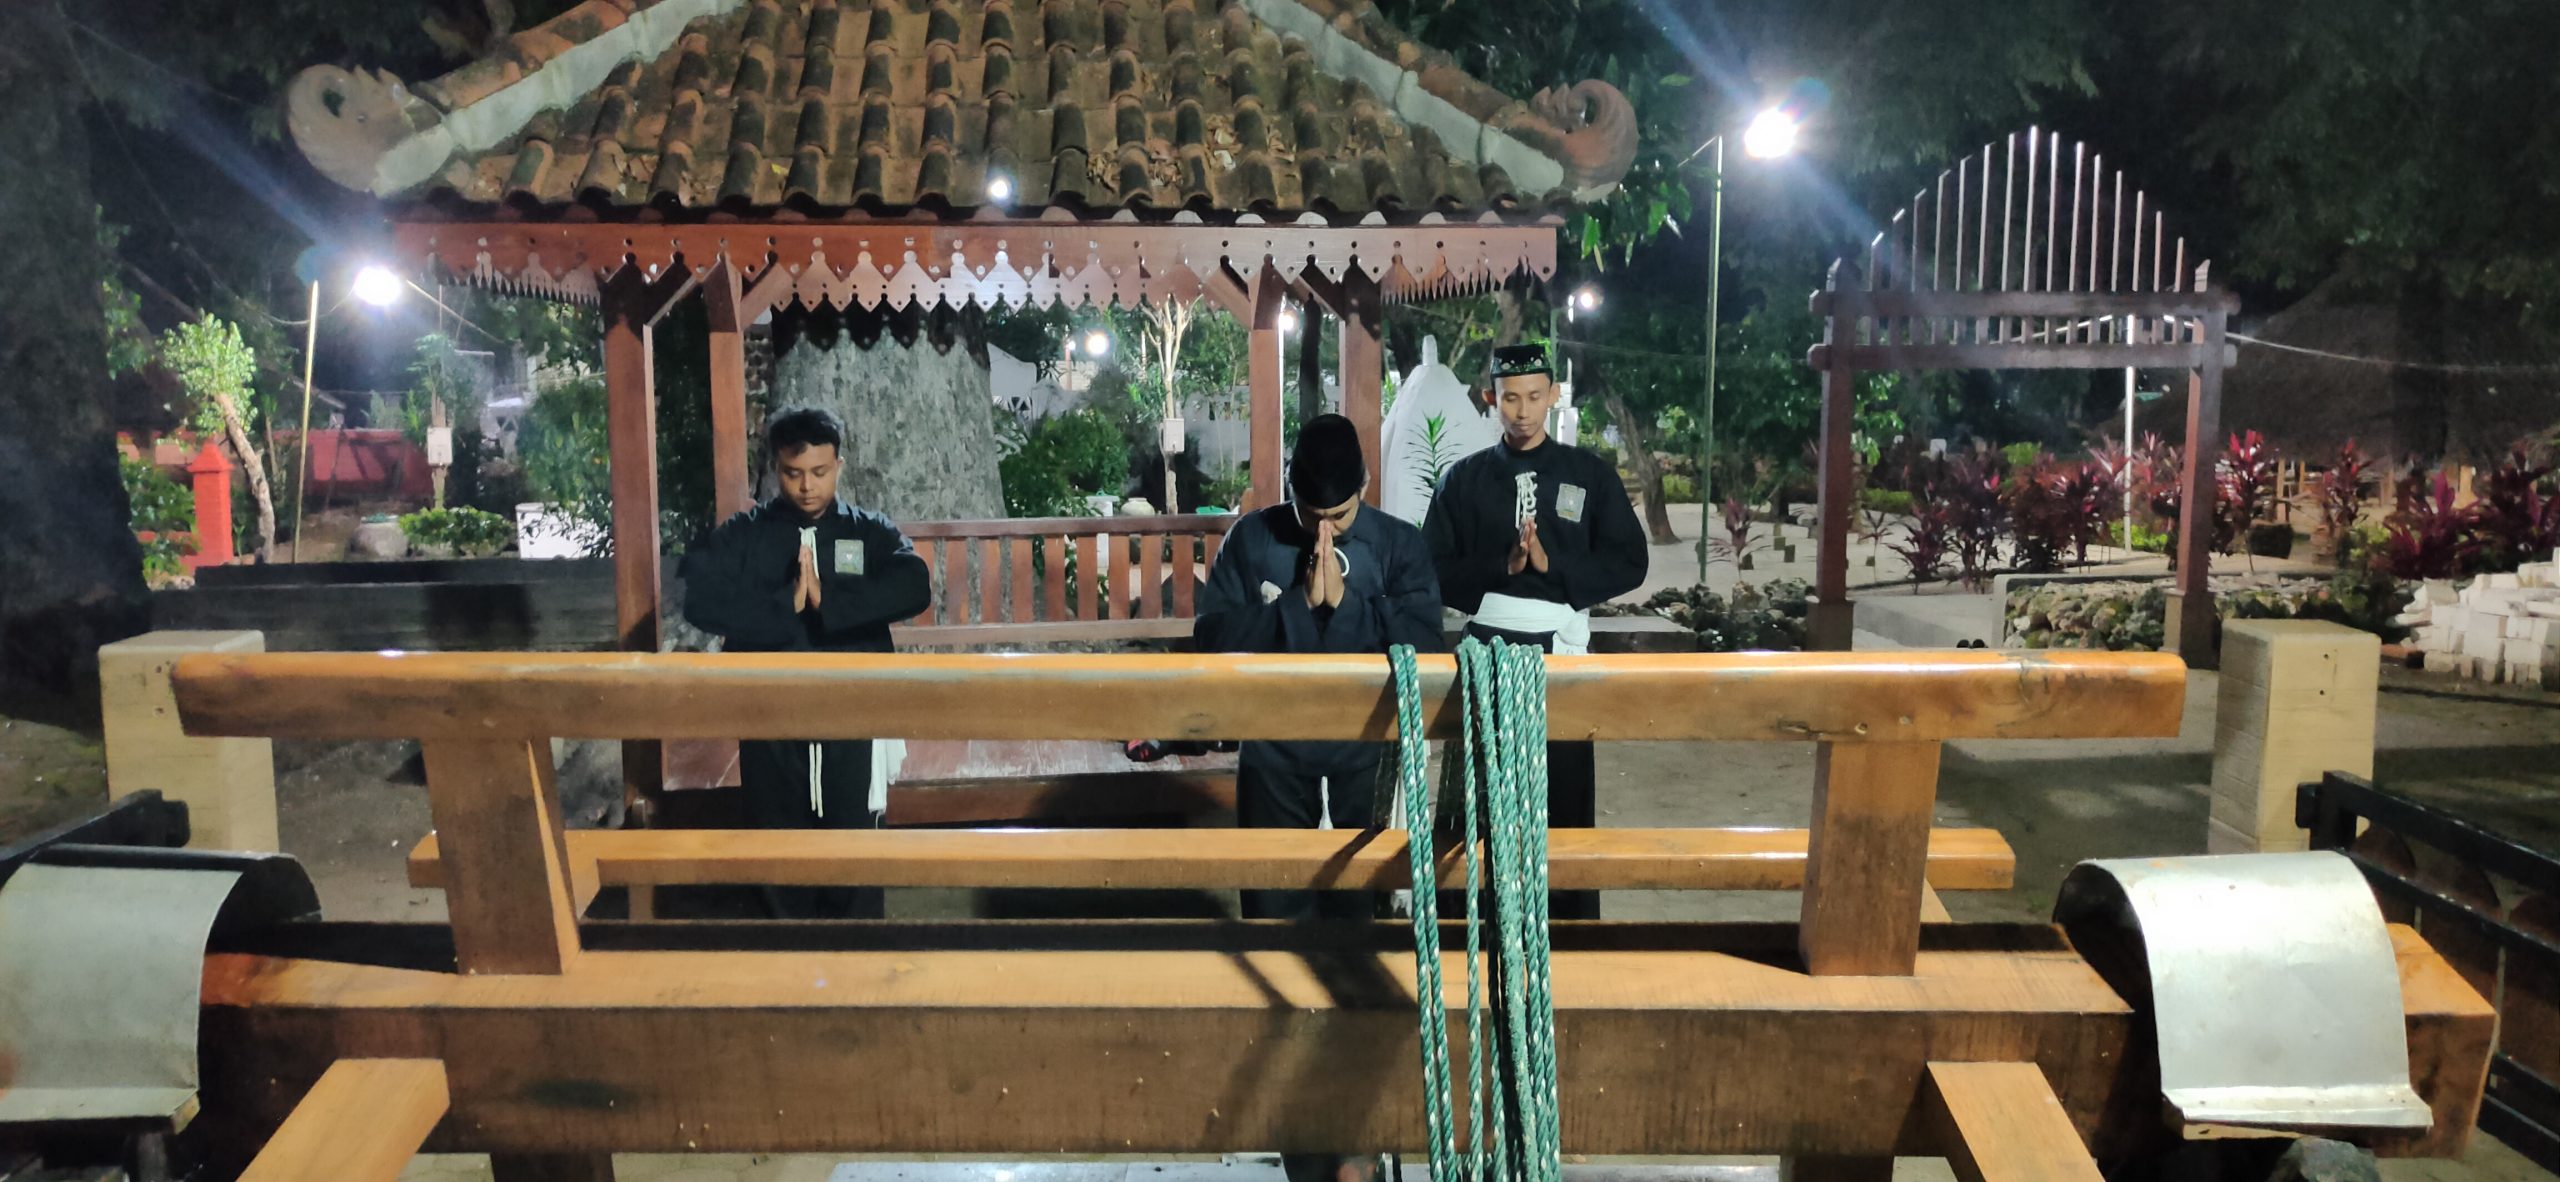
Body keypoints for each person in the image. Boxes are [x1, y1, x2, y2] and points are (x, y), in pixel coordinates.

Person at [1422, 342, 1647, 920]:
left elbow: (1630, 560)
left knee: (1564, 795)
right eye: (1510, 399)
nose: (1522, 412)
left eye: (1533, 397)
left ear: (1553, 395)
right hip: (1488, 652)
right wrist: (1503, 565)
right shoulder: (1463, 479)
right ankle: (1479, 918)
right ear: (1491, 398)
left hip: (1561, 654)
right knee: (1485, 793)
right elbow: (1432, 568)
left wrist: (1556, 567)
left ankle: (1568, 921)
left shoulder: (1588, 474)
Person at [681, 407, 932, 919]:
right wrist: (787, 604)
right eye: (793, 473)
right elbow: (700, 600)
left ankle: (855, 943)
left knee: (854, 831)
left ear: (839, 465)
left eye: (819, 472)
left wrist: (828, 602)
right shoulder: (746, 534)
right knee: (775, 829)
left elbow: (915, 585)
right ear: (776, 468)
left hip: (853, 709)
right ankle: (783, 939)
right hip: (770, 711)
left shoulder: (868, 532)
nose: (807, 486)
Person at [1194, 414, 1444, 923]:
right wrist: (1297, 606)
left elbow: (1428, 647)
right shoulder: (1252, 538)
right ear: (1291, 488)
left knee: (1358, 910)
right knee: (1273, 900)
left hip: (1367, 748)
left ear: (1364, 486)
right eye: (1311, 516)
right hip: (1274, 747)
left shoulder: (1398, 544)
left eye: (1340, 516)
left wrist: (1347, 605)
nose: (1324, 531)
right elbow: (1212, 637)